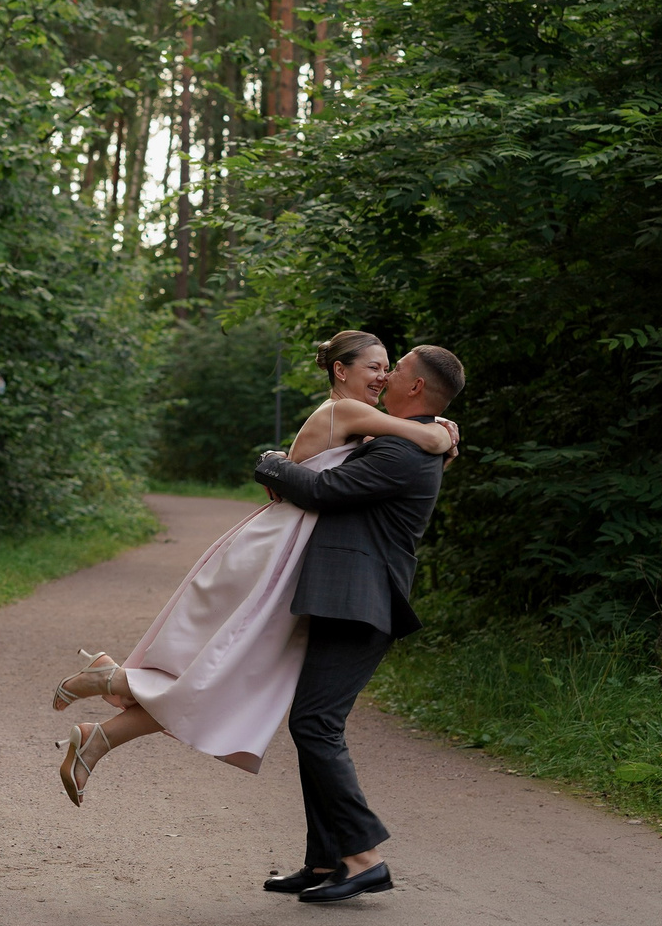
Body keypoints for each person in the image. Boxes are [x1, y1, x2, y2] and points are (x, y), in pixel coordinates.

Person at [48, 332, 457, 808]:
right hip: (277, 552)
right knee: (226, 669)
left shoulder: (367, 424)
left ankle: (100, 727)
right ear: (341, 371)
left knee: (229, 676)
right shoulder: (343, 411)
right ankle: (111, 685)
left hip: (291, 551)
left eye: (389, 367)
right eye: (374, 367)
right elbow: (419, 433)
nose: (383, 376)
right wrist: (440, 432)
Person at [249, 343, 466, 904]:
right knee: (314, 723)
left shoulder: (403, 454)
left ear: (416, 387)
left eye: (398, 369)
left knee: (316, 724)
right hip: (347, 599)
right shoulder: (404, 439)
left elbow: (320, 490)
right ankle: (325, 863)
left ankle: (365, 858)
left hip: (362, 602)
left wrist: (269, 462)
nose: (388, 374)